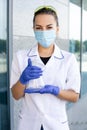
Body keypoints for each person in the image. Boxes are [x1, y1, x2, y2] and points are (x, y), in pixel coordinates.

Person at [10, 5, 81, 130]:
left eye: (49, 27)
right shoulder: (20, 57)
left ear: (57, 29)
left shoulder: (69, 59)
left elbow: (74, 96)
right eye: (39, 28)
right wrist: (22, 80)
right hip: (29, 124)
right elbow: (16, 95)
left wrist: (56, 91)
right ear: (33, 30)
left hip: (57, 124)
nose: (43, 32)